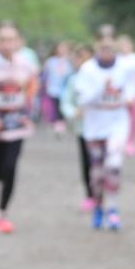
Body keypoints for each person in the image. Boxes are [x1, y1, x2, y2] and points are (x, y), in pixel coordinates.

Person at [0, 22, 38, 234]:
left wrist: (27, 114)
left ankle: (1, 213)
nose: (7, 44)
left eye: (12, 40)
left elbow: (31, 91)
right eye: (3, 40)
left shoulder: (27, 65)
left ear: (19, 42)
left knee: (11, 167)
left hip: (17, 124)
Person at [75, 30, 135, 230]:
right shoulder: (87, 70)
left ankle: (113, 209)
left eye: (110, 48)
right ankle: (99, 206)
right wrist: (102, 87)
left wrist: (130, 97)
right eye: (103, 48)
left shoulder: (126, 67)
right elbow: (83, 100)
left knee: (114, 166)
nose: (107, 51)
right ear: (96, 48)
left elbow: (134, 89)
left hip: (117, 124)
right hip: (94, 127)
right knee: (97, 173)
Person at [60, 44, 96, 212]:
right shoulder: (73, 80)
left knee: (103, 163)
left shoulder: (101, 77)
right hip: (82, 129)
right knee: (87, 163)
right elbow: (65, 102)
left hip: (102, 128)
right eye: (79, 58)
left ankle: (103, 194)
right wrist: (74, 112)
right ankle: (90, 195)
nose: (82, 62)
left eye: (86, 58)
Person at [42, 41, 73, 135]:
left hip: (65, 89)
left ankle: (62, 122)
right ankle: (57, 123)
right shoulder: (51, 61)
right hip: (53, 89)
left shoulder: (68, 61)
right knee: (55, 106)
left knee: (62, 106)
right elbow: (46, 74)